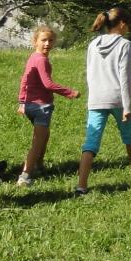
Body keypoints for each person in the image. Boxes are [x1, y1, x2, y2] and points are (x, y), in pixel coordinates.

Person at [76, 7, 131, 196]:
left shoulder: (93, 44)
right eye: (127, 24)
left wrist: (91, 99)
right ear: (122, 24)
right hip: (118, 100)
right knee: (130, 137)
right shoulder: (125, 45)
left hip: (96, 98)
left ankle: (81, 186)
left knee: (91, 142)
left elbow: (89, 73)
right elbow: (124, 77)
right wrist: (127, 106)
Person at [16, 25, 80, 186]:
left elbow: (24, 79)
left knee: (44, 136)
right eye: (43, 40)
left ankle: (39, 165)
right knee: (37, 142)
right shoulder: (42, 60)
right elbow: (48, 84)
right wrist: (69, 92)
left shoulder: (33, 57)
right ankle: (25, 175)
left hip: (30, 105)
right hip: (41, 107)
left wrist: (22, 101)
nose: (47, 44)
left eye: (50, 40)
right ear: (35, 41)